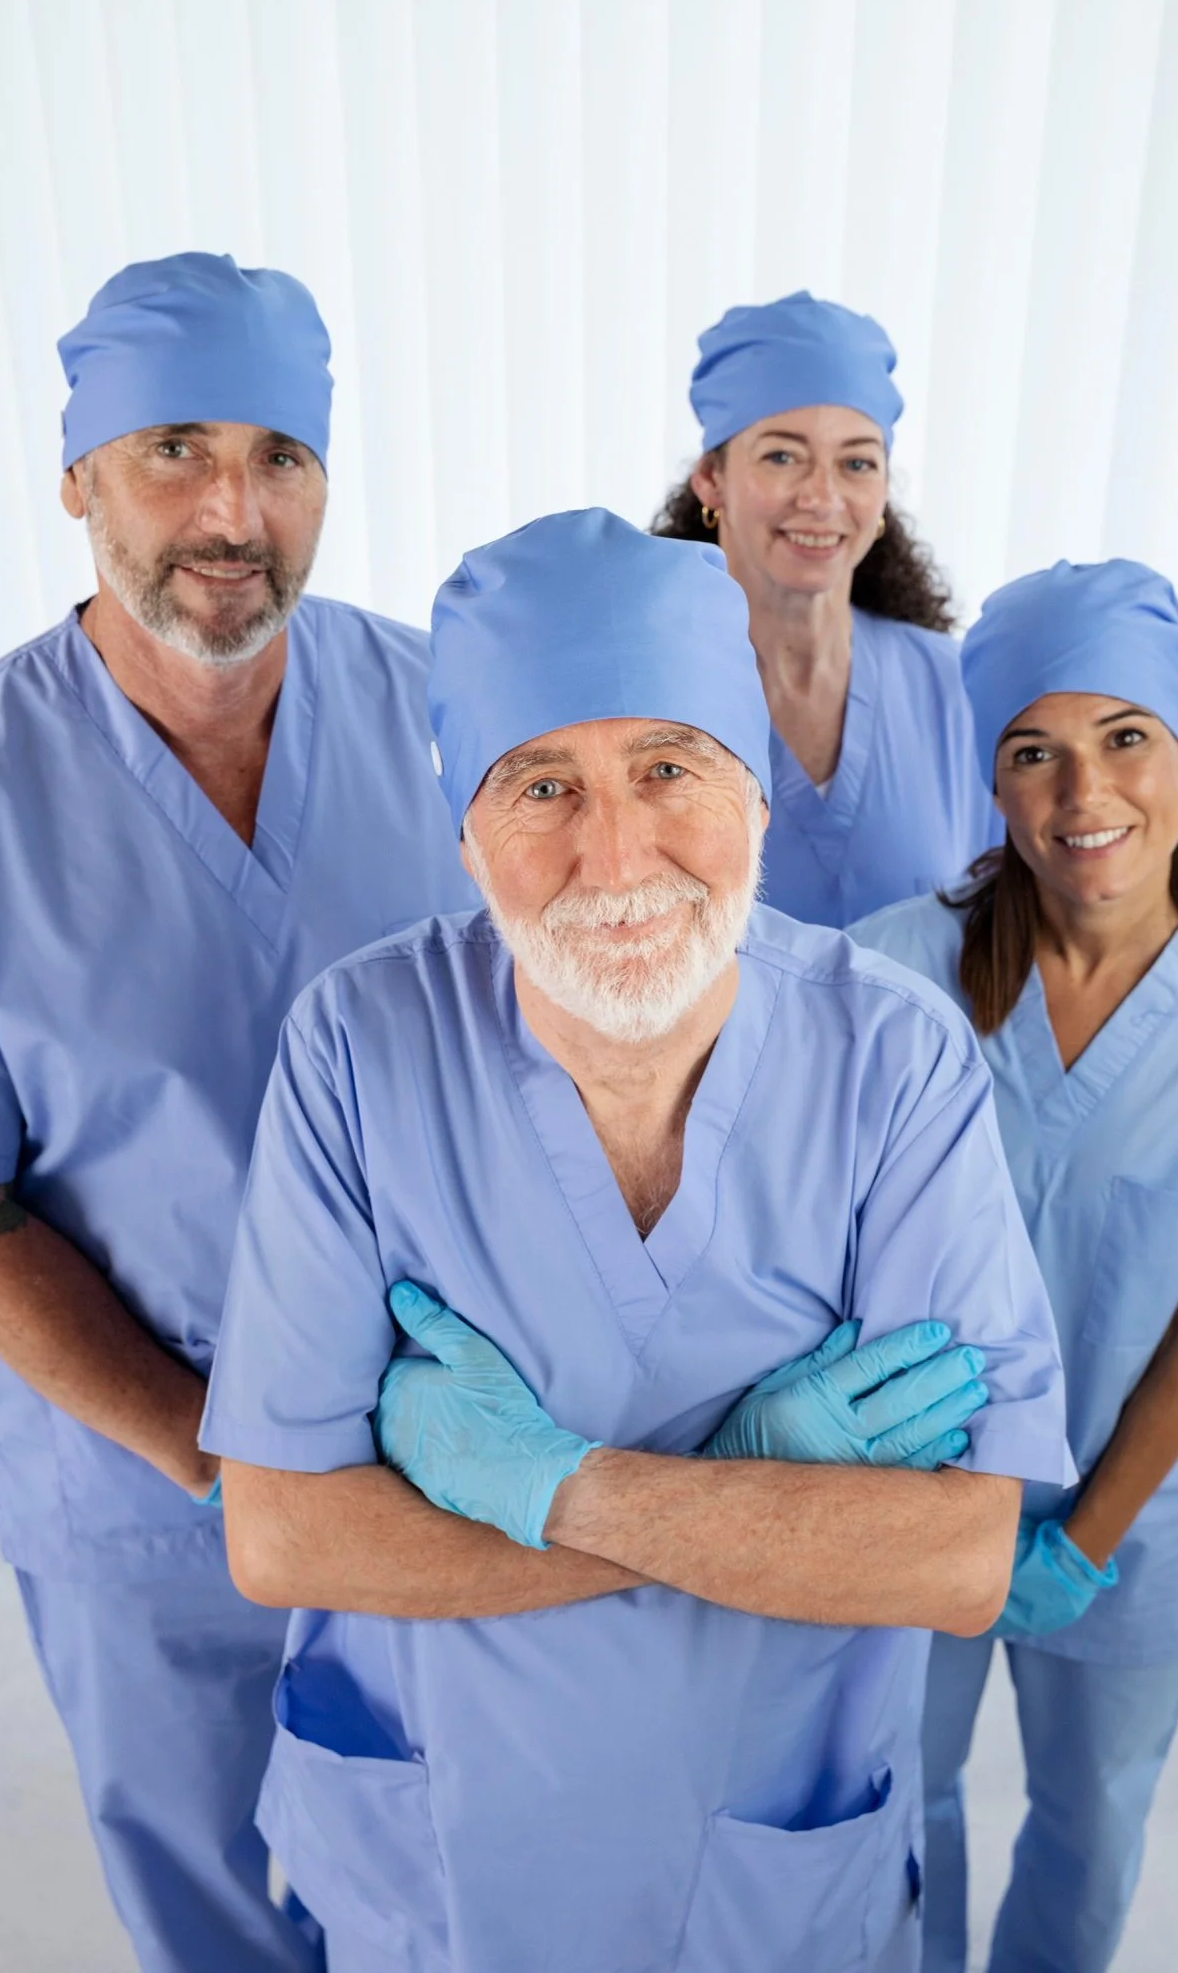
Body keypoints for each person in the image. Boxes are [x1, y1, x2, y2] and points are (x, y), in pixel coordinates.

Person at [201, 508, 1071, 1973]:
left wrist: (550, 1487)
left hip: (760, 1868)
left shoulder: (891, 1063)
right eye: (541, 782)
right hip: (441, 1854)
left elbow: (954, 1562)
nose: (613, 854)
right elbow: (285, 1536)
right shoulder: (359, 1045)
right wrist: (754, 1508)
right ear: (464, 830)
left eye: (668, 768)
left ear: (757, 799)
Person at [0, 253, 473, 1973]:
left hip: (451, 1467)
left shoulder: (457, 723)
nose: (234, 509)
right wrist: (213, 1454)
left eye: (283, 456)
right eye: (176, 447)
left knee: (455, 1893)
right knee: (220, 1921)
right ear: (77, 477)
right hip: (145, 1504)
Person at [851, 560, 1178, 1973]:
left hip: (1135, 1519)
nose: (1082, 791)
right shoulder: (898, 970)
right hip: (913, 1500)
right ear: (991, 779)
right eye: (1033, 752)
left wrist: (1081, 1542)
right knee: (900, 1811)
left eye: (1124, 738)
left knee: (1089, 1827)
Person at [652, 290, 999, 928]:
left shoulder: (956, 689)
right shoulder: (648, 689)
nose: (822, 496)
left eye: (857, 463)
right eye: (782, 456)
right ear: (710, 478)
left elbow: (1007, 938)